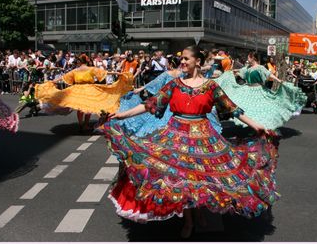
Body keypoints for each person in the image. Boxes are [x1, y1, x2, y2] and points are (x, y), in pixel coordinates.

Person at [102, 47, 278, 238]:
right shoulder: (175, 84)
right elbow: (150, 104)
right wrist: (121, 115)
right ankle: (189, 220)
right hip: (175, 135)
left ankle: (199, 212)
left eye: (186, 59)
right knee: (182, 179)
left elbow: (233, 109)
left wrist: (257, 126)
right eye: (181, 59)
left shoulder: (211, 86)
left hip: (204, 137)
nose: (182, 62)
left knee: (201, 178)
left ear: (198, 62)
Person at [214, 52, 306, 129]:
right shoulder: (247, 68)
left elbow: (269, 75)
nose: (247, 60)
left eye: (248, 58)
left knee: (260, 108)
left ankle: (258, 125)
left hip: (258, 90)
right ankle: (250, 124)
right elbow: (239, 72)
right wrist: (230, 73)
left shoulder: (260, 68)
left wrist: (278, 80)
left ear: (252, 58)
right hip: (247, 89)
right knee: (244, 105)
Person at [35, 64, 133, 133]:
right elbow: (106, 73)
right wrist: (118, 73)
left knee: (81, 108)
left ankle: (82, 124)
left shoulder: (76, 70)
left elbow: (63, 77)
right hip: (88, 89)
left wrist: (53, 81)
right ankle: (85, 125)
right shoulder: (90, 69)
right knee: (87, 108)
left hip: (77, 89)